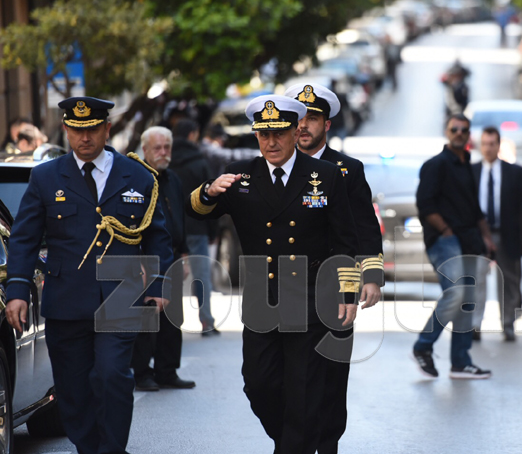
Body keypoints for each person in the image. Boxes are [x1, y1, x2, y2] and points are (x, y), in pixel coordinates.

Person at [185, 94, 360, 454]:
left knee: (303, 389)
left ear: (296, 132)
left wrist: (347, 292)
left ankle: (294, 445)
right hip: (262, 299)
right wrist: (208, 191)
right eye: (264, 135)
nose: (271, 142)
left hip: (310, 298)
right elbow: (198, 211)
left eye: (279, 133)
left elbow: (345, 239)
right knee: (259, 384)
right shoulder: (243, 176)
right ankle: (292, 439)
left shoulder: (325, 175)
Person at [5, 97, 173, 454]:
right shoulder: (46, 177)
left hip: (121, 293)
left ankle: (111, 449)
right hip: (66, 296)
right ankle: (90, 447)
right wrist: (17, 289)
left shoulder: (138, 175)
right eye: (77, 130)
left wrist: (158, 284)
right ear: (66, 129)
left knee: (114, 375)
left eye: (93, 129)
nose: (85, 137)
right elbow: (24, 237)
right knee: (72, 388)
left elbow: (157, 235)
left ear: (107, 129)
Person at [284, 82, 383, 453]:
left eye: (312, 118)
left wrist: (371, 277)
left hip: (335, 286)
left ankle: (326, 446)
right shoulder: (279, 166)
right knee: (289, 378)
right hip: (290, 286)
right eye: (299, 118)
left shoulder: (347, 170)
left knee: (331, 375)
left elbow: (365, 229)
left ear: (327, 124)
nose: (304, 125)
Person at [412, 114, 495, 379]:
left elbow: (475, 209)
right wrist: (446, 230)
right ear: (447, 132)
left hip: (469, 240)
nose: (459, 132)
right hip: (444, 241)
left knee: (467, 301)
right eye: (454, 129)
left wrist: (486, 237)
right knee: (457, 294)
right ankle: (423, 346)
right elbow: (425, 205)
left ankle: (460, 362)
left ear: (469, 134)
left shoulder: (466, 164)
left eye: (464, 129)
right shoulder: (435, 165)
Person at [131, 126, 196, 391]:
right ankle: (142, 373)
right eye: (157, 147)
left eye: (167, 147)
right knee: (147, 317)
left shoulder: (173, 179)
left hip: (173, 256)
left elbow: (180, 217)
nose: (163, 152)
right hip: (147, 258)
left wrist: (185, 252)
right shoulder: (138, 177)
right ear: (145, 149)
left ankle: (167, 370)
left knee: (173, 317)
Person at [471, 126, 522, 341]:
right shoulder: (471, 172)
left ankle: (508, 323)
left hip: (507, 233)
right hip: (479, 236)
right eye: (485, 144)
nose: (488, 148)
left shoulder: (515, 173)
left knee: (509, 280)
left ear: (498, 145)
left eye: (492, 144)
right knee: (477, 279)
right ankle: (475, 325)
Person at [169, 119, 219, 335]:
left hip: (170, 227)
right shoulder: (199, 161)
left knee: (169, 276)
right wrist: (213, 231)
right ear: (192, 135)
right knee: (201, 276)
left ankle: (170, 323)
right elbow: (211, 197)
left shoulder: (166, 160)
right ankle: (206, 321)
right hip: (197, 226)